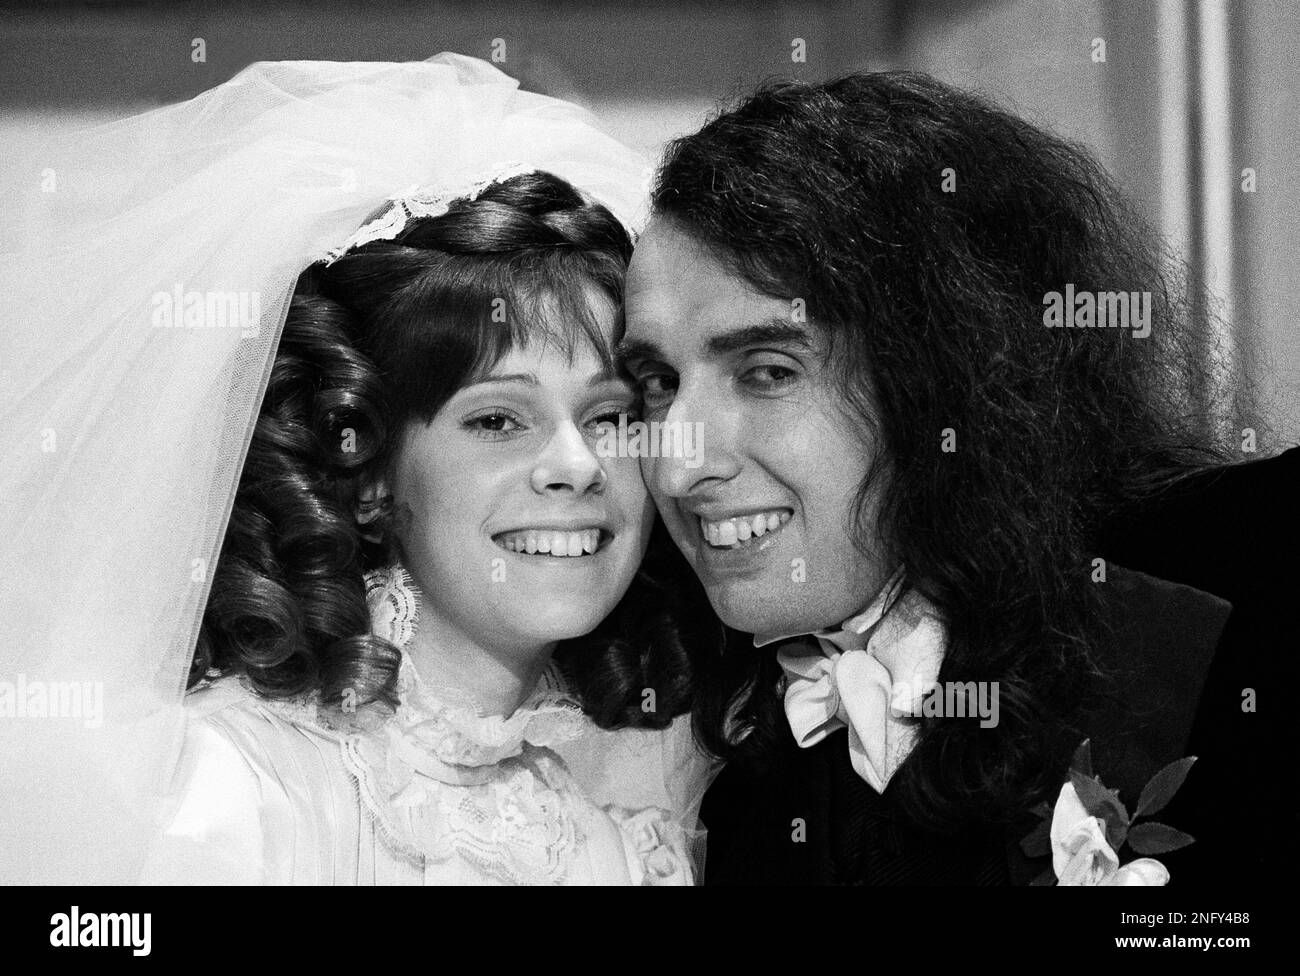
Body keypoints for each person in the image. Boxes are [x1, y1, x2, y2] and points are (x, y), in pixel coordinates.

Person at [0, 54, 715, 886]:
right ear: (367, 469)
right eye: (497, 420)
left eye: (609, 417)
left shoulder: (624, 840)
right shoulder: (233, 795)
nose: (577, 466)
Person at [621, 70, 1297, 885]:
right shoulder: (740, 799)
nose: (679, 460)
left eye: (767, 371)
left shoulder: (1240, 581)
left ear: (949, 371)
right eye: (657, 381)